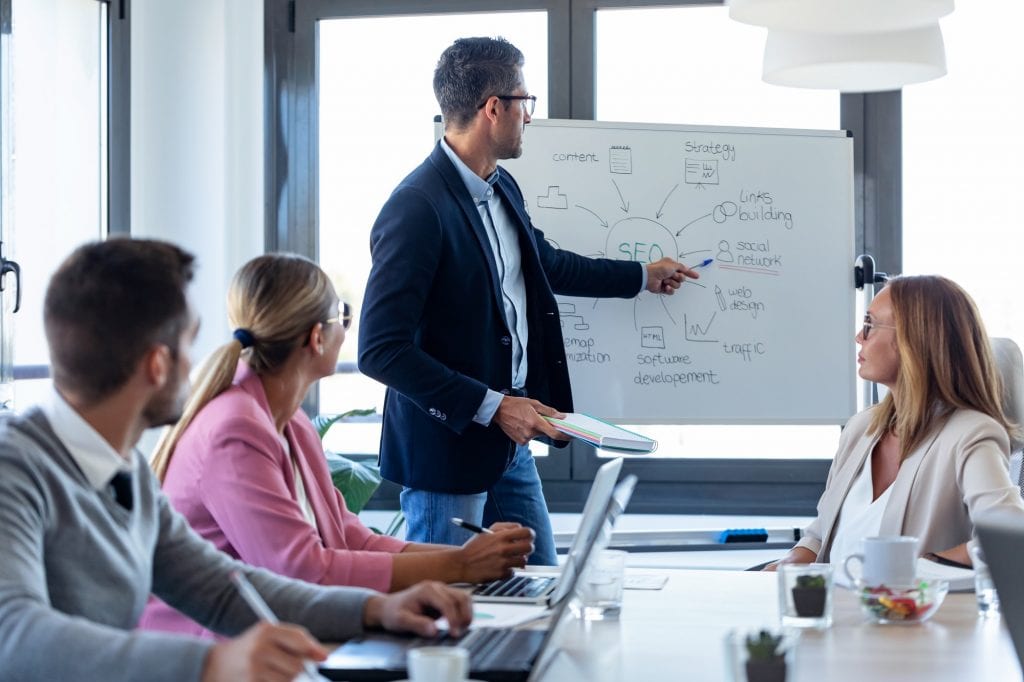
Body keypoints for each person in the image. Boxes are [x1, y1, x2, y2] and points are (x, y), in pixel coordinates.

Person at [0, 239, 471, 682]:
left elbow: (223, 589)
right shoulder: (13, 469)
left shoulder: (125, 473)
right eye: (188, 344)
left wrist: (373, 610)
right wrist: (210, 662)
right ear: (157, 365)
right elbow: (14, 635)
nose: (196, 364)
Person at [357, 36, 700, 566]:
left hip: (507, 444)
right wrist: (494, 407)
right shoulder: (416, 209)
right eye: (525, 101)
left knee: (542, 587)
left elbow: (548, 264)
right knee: (444, 611)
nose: (530, 117)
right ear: (493, 108)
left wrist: (641, 276)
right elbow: (380, 350)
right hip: (448, 454)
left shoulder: (501, 188)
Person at [141, 253, 534, 637]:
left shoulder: (289, 420)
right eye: (343, 315)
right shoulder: (236, 429)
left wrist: (469, 561)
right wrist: (461, 566)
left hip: (277, 633)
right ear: (317, 337)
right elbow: (304, 572)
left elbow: (349, 538)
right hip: (213, 650)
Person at [768, 275, 1024, 571]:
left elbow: (1010, 537)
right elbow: (822, 532)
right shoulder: (861, 429)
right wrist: (789, 563)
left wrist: (915, 567)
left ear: (913, 339)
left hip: (906, 614)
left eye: (870, 325)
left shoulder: (970, 434)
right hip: (834, 611)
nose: (858, 338)